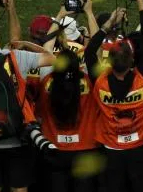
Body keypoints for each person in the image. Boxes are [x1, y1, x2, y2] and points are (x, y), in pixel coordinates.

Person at [91, 0, 143, 192]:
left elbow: (89, 51)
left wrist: (107, 25)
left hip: (111, 149)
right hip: (141, 147)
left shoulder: (100, 82)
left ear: (108, 62)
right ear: (133, 60)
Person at [0, 22, 55, 192]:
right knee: (19, 188)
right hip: (17, 135)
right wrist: (26, 43)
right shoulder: (16, 57)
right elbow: (51, 58)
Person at [34, 48, 100, 192]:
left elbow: (39, 112)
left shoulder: (46, 82)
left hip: (54, 148)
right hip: (85, 148)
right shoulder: (89, 81)